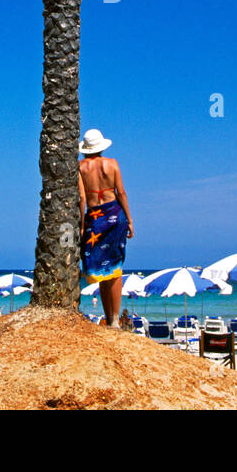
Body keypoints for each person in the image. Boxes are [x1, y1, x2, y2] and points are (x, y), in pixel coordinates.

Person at [77, 128, 133, 328]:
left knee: (101, 268)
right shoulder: (113, 164)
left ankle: (108, 318)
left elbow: (83, 198)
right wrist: (130, 219)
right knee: (115, 267)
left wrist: (83, 225)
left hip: (95, 218)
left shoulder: (81, 167)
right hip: (115, 215)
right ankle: (115, 320)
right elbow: (122, 193)